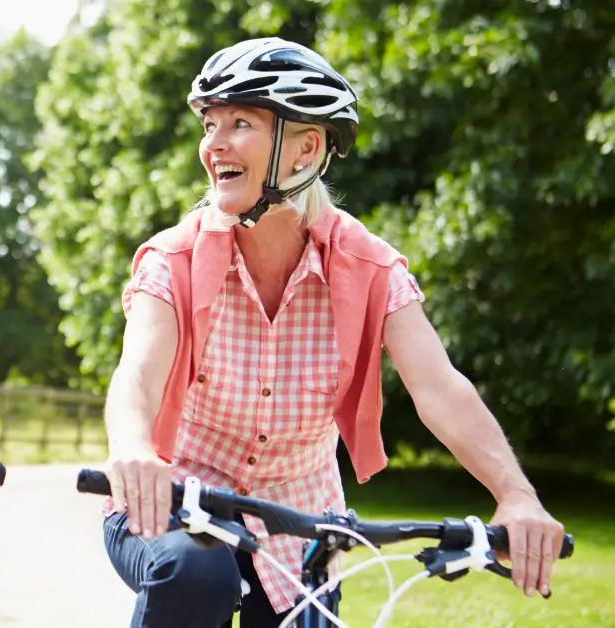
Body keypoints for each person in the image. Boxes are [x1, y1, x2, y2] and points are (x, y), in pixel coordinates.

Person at [99, 37, 566, 628]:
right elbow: (137, 372)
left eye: (239, 122)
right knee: (199, 573)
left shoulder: (369, 267)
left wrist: (517, 494)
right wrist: (135, 449)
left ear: (306, 148)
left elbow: (440, 387)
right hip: (175, 506)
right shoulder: (174, 260)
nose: (213, 143)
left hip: (301, 530)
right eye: (210, 123)